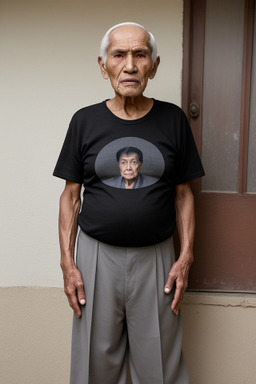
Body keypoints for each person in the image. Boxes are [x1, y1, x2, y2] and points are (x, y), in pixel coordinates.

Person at [53, 22, 204, 384]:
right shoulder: (85, 121)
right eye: (119, 55)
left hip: (157, 258)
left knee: (160, 365)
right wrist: (68, 263)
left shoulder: (173, 120)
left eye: (140, 54)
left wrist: (185, 259)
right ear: (103, 65)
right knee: (96, 362)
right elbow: (71, 196)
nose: (130, 65)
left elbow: (183, 194)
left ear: (153, 64)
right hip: (95, 256)